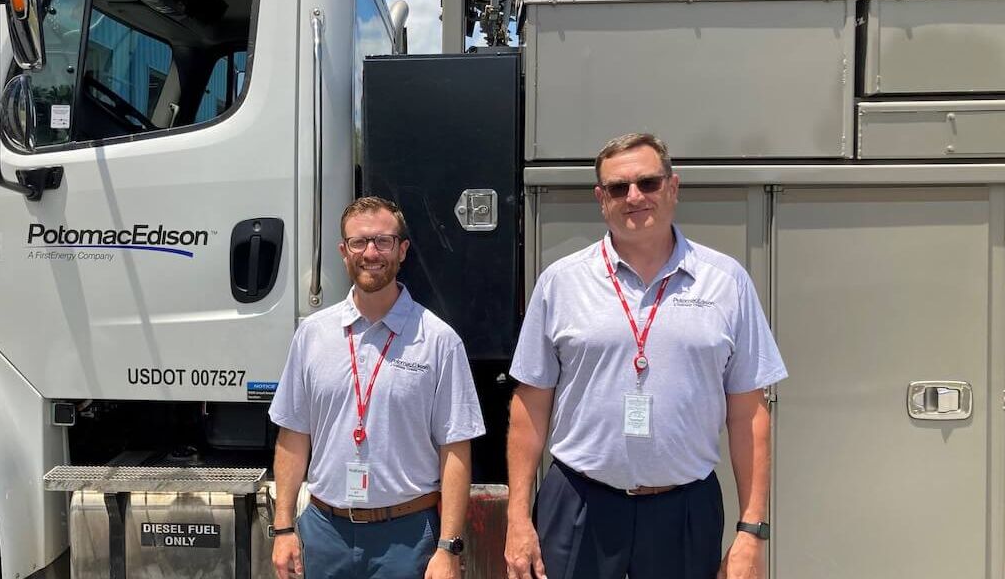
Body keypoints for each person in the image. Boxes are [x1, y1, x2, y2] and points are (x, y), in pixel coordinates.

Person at [504, 133, 787, 579]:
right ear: (601, 199)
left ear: (673, 187)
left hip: (684, 511)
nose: (634, 196)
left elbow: (749, 414)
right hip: (579, 503)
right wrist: (517, 520)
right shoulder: (561, 282)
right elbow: (529, 404)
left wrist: (751, 530)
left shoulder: (726, 282)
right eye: (618, 188)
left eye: (648, 183)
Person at [269, 196, 486, 579]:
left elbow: (455, 448)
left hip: (407, 537)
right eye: (359, 242)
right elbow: (293, 434)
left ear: (402, 250)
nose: (371, 253)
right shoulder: (312, 335)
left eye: (383, 241)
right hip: (325, 532)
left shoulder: (438, 340)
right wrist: (284, 527)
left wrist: (449, 547)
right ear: (343, 251)